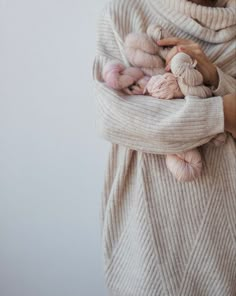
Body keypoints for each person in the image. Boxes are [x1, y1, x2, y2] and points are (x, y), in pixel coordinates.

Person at [93, 0, 236, 295]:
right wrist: (221, 113)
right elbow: (115, 118)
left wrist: (214, 77)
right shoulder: (124, 14)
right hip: (149, 239)